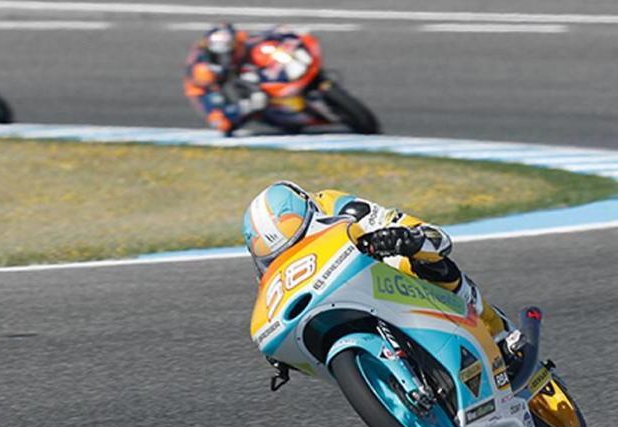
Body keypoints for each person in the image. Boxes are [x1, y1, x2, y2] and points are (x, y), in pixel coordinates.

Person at [242, 181, 526, 371]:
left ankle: (497, 329)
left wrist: (401, 237)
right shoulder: (272, 269)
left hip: (381, 269)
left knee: (412, 261)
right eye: (264, 248)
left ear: (306, 208)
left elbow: (397, 223)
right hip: (336, 298)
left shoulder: (336, 206)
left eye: (290, 224)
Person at [183, 22, 267, 135]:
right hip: (206, 88)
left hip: (235, 72)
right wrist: (241, 107)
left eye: (228, 52)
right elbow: (212, 93)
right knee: (223, 124)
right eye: (219, 56)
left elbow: (259, 38)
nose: (224, 58)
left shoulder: (240, 39)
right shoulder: (202, 69)